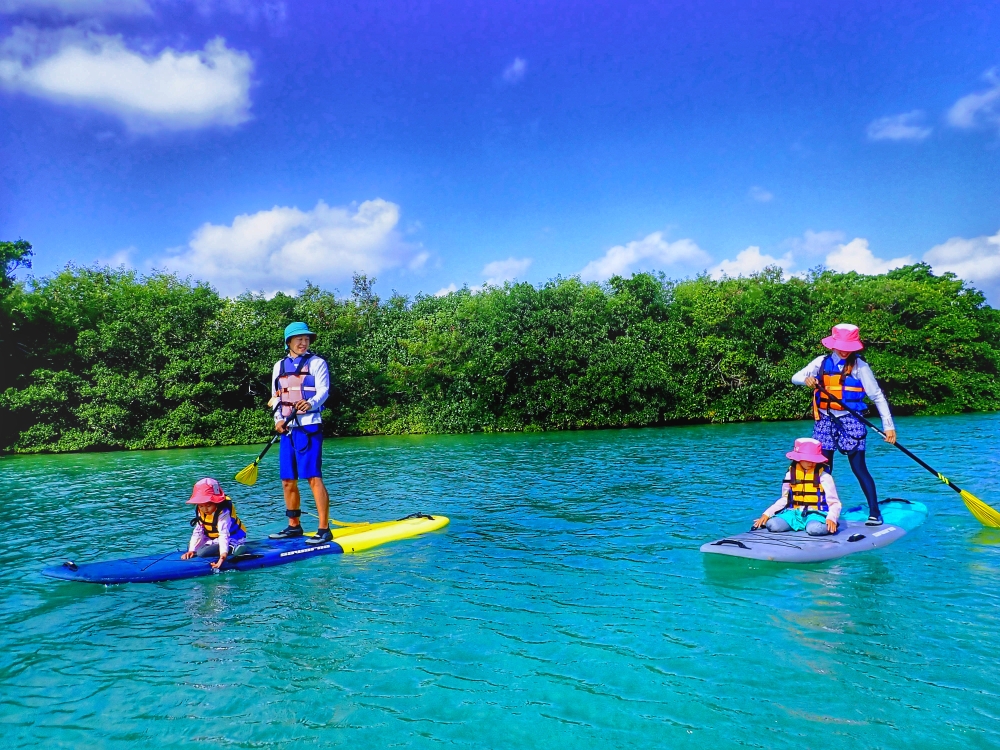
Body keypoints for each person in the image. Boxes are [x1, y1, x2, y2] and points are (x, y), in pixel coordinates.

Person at [792, 323, 896, 527]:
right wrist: (807, 380)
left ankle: (875, 512)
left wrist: (889, 426)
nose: (844, 350)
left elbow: (876, 396)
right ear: (833, 344)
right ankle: (821, 512)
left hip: (851, 419)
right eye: (840, 345)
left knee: (859, 468)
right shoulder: (821, 362)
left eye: (848, 346)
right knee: (823, 468)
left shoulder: (860, 366)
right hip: (825, 419)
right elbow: (795, 377)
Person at [268, 321, 333, 544]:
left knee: (313, 477)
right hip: (288, 429)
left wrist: (311, 403)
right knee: (287, 480)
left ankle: (324, 529)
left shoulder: (317, 363)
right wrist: (278, 420)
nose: (303, 342)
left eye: (306, 339)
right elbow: (276, 396)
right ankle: (293, 526)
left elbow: (324, 391)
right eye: (299, 339)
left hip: (309, 427)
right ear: (289, 342)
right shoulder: (279, 366)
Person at [753, 437, 842, 536]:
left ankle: (828, 525)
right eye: (807, 459)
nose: (811, 462)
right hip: (794, 514)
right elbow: (785, 498)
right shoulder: (790, 475)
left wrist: (832, 518)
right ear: (798, 458)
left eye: (813, 459)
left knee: (814, 529)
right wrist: (767, 513)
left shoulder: (825, 477)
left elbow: (835, 503)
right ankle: (799, 524)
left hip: (816, 514)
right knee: (772, 525)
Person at [182, 477, 248, 568]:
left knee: (202, 553)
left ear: (216, 502)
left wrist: (222, 558)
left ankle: (233, 548)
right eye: (201, 506)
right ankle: (217, 548)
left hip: (232, 537)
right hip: (213, 538)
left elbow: (223, 535)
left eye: (208, 505)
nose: (205, 509)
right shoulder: (200, 511)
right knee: (193, 548)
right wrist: (191, 550)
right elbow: (197, 532)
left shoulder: (223, 513)